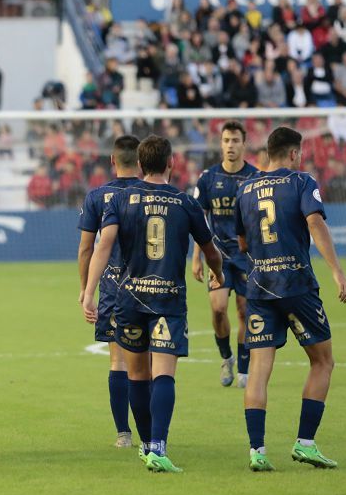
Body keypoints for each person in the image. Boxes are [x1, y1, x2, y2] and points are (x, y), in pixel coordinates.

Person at [82, 136, 223, 473]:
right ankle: (158, 445)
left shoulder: (118, 200)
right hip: (167, 301)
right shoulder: (185, 202)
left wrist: (88, 291)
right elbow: (210, 249)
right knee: (164, 373)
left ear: (141, 166)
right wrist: (218, 273)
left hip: (128, 298)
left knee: (136, 375)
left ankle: (146, 445)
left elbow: (103, 246)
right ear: (171, 164)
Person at [234, 127, 346, 472]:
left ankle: (257, 451)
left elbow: (242, 243)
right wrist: (337, 272)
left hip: (259, 288)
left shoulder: (244, 189)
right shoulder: (302, 182)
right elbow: (316, 224)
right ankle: (305, 443)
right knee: (322, 361)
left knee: (258, 370)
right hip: (297, 285)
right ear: (292, 153)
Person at [77, 135, 141, 449]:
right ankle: (154, 435)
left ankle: (123, 434)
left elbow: (86, 249)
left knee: (118, 361)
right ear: (141, 162)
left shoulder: (97, 196)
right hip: (152, 286)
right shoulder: (157, 194)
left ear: (112, 161)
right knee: (153, 361)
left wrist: (84, 290)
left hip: (114, 286)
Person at [191, 122, 259, 388]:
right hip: (217, 256)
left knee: (244, 311)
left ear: (244, 144)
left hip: (246, 257)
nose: (230, 146)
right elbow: (199, 220)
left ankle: (243, 367)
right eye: (226, 141)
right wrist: (196, 257)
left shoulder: (254, 177)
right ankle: (226, 357)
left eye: (235, 141)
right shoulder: (208, 178)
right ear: (221, 144)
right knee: (218, 309)